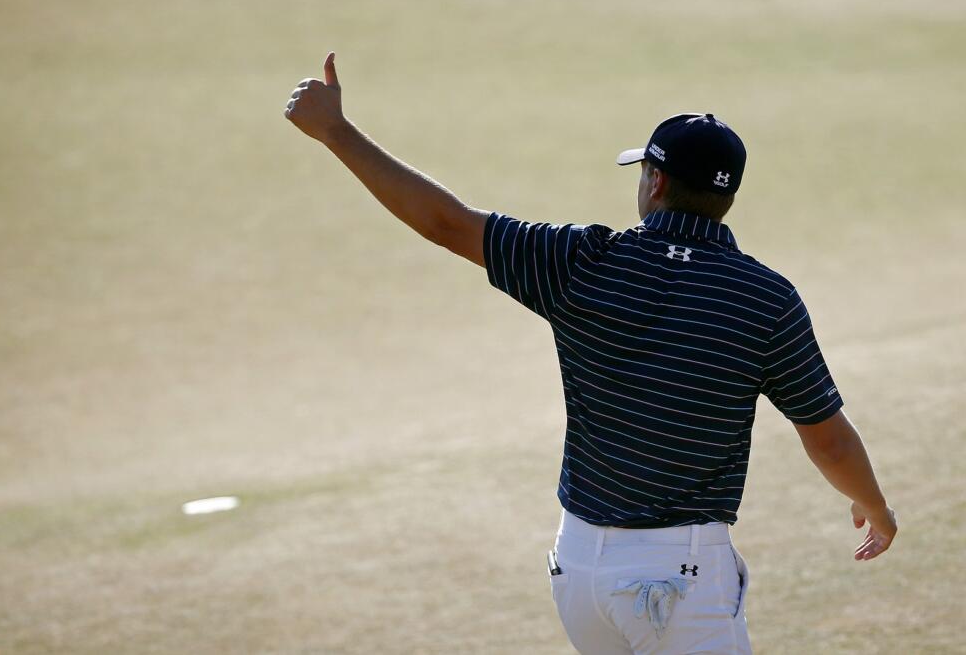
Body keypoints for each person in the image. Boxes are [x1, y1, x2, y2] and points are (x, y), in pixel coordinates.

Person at [285, 53, 897, 654]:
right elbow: (829, 439)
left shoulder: (581, 261)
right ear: (727, 198)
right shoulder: (765, 298)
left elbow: (446, 221)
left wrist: (335, 131)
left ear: (654, 181)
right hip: (680, 581)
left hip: (578, 572)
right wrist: (874, 506)